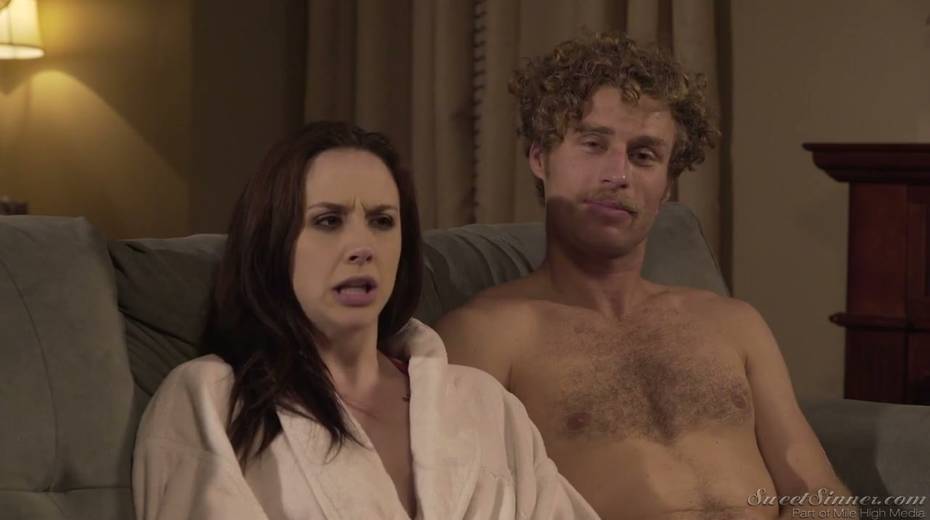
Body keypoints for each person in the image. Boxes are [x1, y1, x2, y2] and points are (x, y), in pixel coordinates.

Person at [436, 32, 852, 519]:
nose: (618, 174)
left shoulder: (734, 324)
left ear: (668, 184)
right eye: (593, 144)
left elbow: (819, 491)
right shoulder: (485, 336)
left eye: (644, 155)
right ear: (539, 158)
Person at [131, 121, 599, 520]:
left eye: (381, 221)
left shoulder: (485, 404)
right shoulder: (210, 398)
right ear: (274, 243)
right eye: (329, 221)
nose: (363, 247)